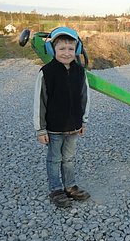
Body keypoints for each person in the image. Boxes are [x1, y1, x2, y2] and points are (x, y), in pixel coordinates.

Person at [33, 27, 91, 208]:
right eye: (61, 49)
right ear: (52, 50)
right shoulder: (46, 73)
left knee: (69, 158)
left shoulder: (80, 72)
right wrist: (40, 129)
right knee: (54, 159)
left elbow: (85, 98)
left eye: (71, 49)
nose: (66, 53)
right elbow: (39, 102)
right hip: (54, 128)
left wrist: (84, 121)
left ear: (77, 50)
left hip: (73, 127)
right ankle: (56, 189)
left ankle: (70, 186)